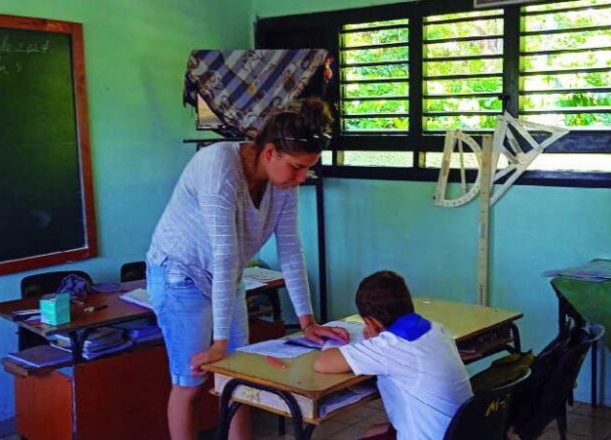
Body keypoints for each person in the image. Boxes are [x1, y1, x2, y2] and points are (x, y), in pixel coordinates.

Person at [146, 97, 349, 440]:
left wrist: (307, 321)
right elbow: (223, 253)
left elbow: (290, 249)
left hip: (228, 276)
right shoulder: (218, 166)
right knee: (191, 383)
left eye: (307, 169)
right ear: (270, 153)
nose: (301, 178)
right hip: (181, 275)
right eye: (297, 168)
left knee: (241, 380)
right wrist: (219, 342)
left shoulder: (281, 181)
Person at [314, 270, 473, 440]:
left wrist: (375, 338)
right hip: (461, 431)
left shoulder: (390, 346)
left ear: (370, 322)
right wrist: (378, 335)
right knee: (373, 432)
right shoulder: (438, 330)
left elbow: (322, 363)